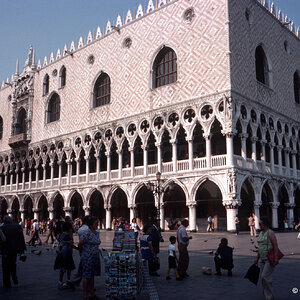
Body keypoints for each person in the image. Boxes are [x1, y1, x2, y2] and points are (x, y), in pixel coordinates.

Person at [254, 217, 280, 300]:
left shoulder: (270, 233)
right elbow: (260, 247)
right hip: (262, 258)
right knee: (264, 278)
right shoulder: (261, 233)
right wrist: (257, 258)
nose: (259, 225)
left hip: (269, 258)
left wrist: (276, 258)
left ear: (265, 224)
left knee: (265, 277)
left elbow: (275, 246)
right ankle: (267, 295)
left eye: (260, 224)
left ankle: (269, 296)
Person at [78, 216, 101, 300]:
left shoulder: (97, 232)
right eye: (96, 223)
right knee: (86, 276)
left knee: (92, 276)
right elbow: (80, 244)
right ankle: (85, 295)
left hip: (94, 257)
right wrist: (84, 252)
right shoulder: (86, 233)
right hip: (87, 257)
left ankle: (92, 293)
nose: (97, 225)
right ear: (91, 224)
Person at [1, 215, 26, 288]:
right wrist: (22, 249)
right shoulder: (17, 227)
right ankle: (14, 277)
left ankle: (7, 283)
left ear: (4, 221)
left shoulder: (2, 228)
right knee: (13, 264)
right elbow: (21, 238)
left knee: (5, 267)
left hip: (5, 250)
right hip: (14, 250)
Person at [69, 215, 91, 286]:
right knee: (86, 269)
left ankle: (74, 281)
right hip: (87, 251)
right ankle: (86, 286)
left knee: (82, 267)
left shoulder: (81, 229)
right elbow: (83, 242)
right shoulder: (87, 229)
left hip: (83, 251)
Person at [54, 222, 77, 288]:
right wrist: (78, 248)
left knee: (63, 267)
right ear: (68, 229)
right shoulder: (67, 236)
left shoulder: (61, 235)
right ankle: (67, 279)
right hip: (66, 252)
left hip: (61, 252)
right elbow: (71, 245)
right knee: (68, 266)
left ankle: (60, 281)